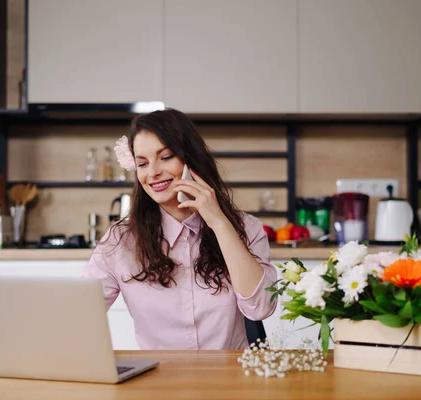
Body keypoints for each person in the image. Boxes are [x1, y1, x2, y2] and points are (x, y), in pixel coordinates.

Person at [83, 108, 277, 350]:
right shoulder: (120, 241)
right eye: (142, 163)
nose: (152, 173)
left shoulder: (246, 228)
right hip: (157, 382)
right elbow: (78, 317)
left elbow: (260, 307)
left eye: (166, 157)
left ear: (191, 160)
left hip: (230, 381)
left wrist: (219, 223)